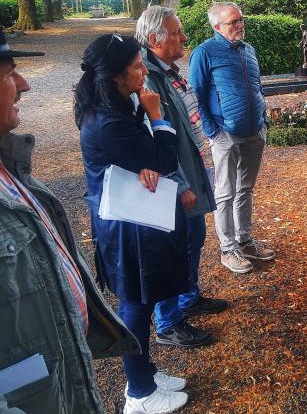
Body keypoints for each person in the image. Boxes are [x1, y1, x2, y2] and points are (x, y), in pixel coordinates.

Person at [0, 32, 138, 414]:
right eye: (10, 74)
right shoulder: (105, 120)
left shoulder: (15, 170)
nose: (25, 84)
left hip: (56, 377)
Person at [76, 33, 190, 414]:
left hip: (133, 218)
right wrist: (157, 117)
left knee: (142, 298)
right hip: (125, 225)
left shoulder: (116, 107)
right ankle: (139, 393)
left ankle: (147, 374)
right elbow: (166, 159)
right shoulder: (107, 121)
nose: (144, 71)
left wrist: (145, 155)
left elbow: (148, 156)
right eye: (138, 66)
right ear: (114, 74)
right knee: (137, 305)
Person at [136, 5, 228, 349]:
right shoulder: (145, 78)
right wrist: (180, 184)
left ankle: (188, 298)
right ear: (154, 38)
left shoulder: (167, 71)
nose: (184, 38)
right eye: (176, 33)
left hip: (191, 166)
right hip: (175, 179)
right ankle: (168, 322)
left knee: (193, 237)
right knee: (171, 246)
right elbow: (152, 137)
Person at [189, 1, 274, 274]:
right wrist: (215, 132)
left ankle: (245, 240)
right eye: (233, 22)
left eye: (241, 20)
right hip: (225, 133)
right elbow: (197, 96)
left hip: (254, 131)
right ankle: (228, 249)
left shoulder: (249, 50)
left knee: (245, 189)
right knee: (225, 192)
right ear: (216, 27)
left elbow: (258, 86)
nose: (240, 26)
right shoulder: (204, 52)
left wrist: (264, 121)